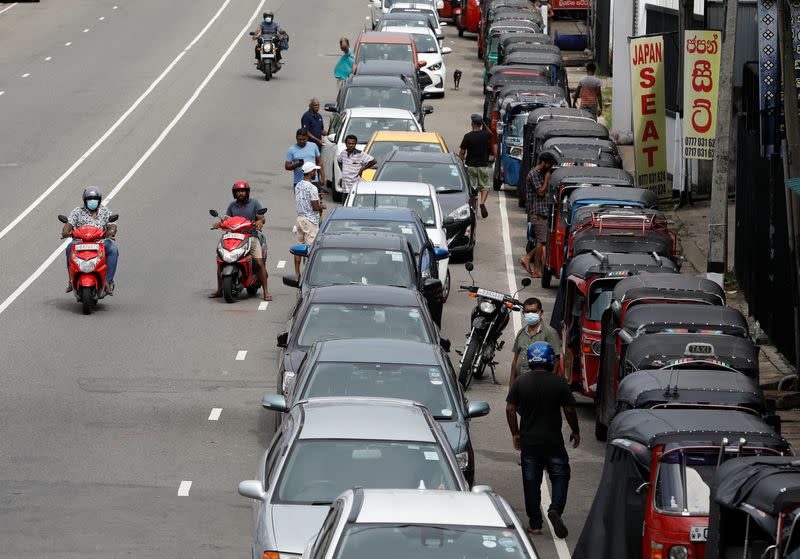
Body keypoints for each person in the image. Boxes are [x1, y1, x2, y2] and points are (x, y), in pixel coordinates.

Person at [506, 341, 579, 539]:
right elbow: (570, 410)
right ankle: (555, 509)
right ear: (549, 359)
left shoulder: (521, 382)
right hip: (554, 442)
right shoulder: (559, 383)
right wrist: (575, 431)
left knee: (531, 482)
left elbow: (510, 409)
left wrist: (515, 433)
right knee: (560, 476)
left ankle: (535, 524)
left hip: (529, 444)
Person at [209, 181, 272, 301]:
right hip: (234, 237)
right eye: (238, 191)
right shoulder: (232, 206)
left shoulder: (254, 203)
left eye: (242, 191)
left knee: (259, 263)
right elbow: (226, 219)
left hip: (250, 237)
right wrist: (220, 223)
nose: (240, 193)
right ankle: (219, 289)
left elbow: (261, 218)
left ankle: (266, 291)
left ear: (247, 192)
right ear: (235, 193)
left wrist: (259, 222)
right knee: (221, 259)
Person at [62, 187, 119, 294]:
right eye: (90, 199)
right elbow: (68, 224)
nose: (92, 202)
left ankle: (108, 281)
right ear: (85, 201)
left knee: (113, 250)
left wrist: (111, 231)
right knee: (70, 247)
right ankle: (71, 280)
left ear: (99, 200)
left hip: (100, 242)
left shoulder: (105, 211)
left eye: (95, 199)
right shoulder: (77, 211)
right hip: (80, 242)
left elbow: (112, 225)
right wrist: (66, 231)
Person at [519, 152, 556, 278]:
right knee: (542, 241)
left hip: (542, 212)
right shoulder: (534, 174)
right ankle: (536, 270)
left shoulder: (538, 173)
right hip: (538, 212)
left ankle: (527, 257)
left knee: (543, 241)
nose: (550, 167)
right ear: (543, 163)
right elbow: (540, 192)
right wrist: (546, 180)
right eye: (549, 164)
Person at [509, 297, 561, 385]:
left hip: (539, 384)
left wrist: (549, 383)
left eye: (533, 311)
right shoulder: (521, 333)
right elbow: (515, 359)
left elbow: (557, 359)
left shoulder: (550, 332)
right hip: (520, 382)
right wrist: (512, 384)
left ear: (541, 312)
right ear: (523, 313)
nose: (530, 314)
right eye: (527, 312)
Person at [294, 162, 326, 277]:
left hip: (300, 219)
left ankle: (297, 274)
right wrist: (322, 206)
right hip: (310, 221)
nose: (315, 173)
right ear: (310, 172)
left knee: (298, 248)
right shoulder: (312, 188)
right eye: (314, 171)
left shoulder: (298, 185)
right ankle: (309, 275)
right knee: (311, 249)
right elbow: (315, 206)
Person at [459, 113, 492, 219]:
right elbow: (491, 133)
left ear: (472, 123)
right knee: (485, 187)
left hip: (471, 166)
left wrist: (461, 162)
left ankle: (472, 209)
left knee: (472, 189)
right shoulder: (486, 135)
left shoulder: (467, 136)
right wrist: (484, 124)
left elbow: (462, 153)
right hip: (483, 166)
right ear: (480, 124)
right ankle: (482, 203)